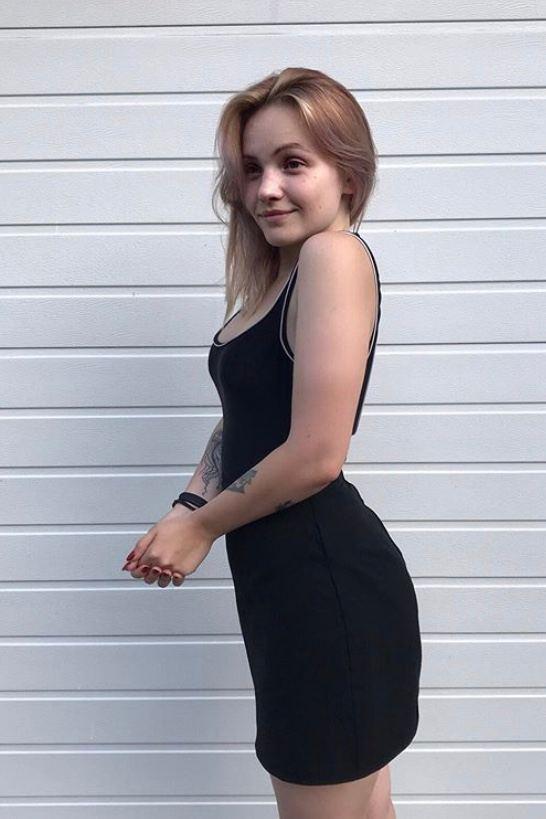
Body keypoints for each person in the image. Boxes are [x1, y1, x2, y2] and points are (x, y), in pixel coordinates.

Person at [122, 67, 422, 819]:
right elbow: (245, 418)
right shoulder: (279, 279)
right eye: (252, 168)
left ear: (348, 173)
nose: (266, 188)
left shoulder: (333, 257)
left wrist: (202, 527)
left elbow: (317, 454)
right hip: (297, 590)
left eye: (293, 163)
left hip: (326, 589)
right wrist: (188, 503)